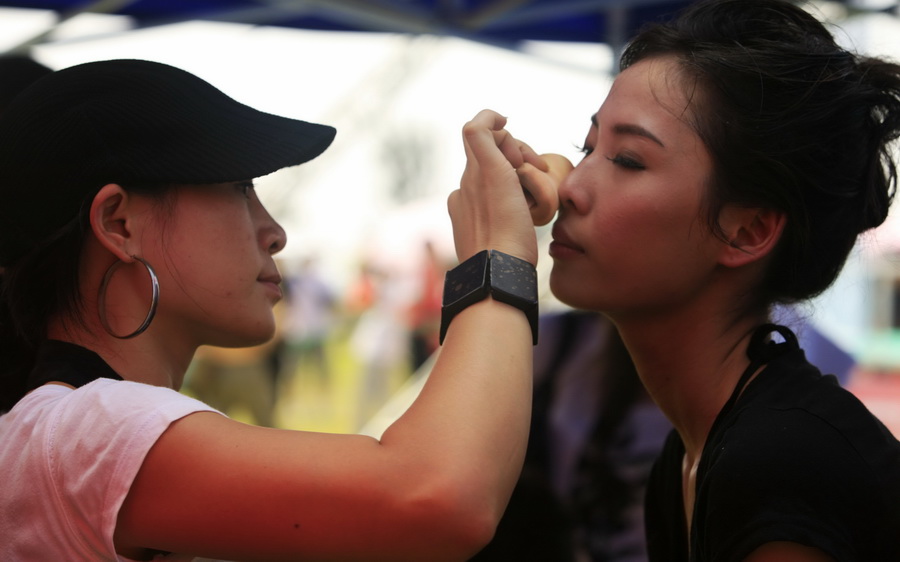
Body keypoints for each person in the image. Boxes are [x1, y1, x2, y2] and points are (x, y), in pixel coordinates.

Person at [0, 58, 550, 560]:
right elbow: (438, 497)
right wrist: (497, 253)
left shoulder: (64, 424)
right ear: (119, 224)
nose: (275, 232)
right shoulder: (90, 429)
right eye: (240, 189)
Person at [464, 0, 900, 560]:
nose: (571, 186)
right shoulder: (693, 452)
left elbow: (440, 499)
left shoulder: (784, 463)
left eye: (628, 160)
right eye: (588, 148)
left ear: (746, 231)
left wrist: (490, 263)